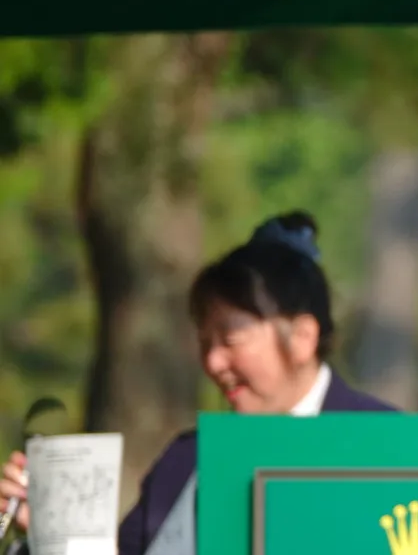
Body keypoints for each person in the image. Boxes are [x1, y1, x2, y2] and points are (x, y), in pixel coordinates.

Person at [0, 211, 394, 555]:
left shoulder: (388, 449)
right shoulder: (186, 460)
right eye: (205, 343)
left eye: (230, 339)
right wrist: (51, 533)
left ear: (303, 337)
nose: (213, 362)